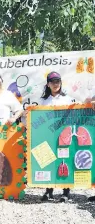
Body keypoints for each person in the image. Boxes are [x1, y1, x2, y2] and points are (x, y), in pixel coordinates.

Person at [40, 71, 72, 203]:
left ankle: (66, 191)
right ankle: (49, 190)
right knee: (47, 160)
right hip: (47, 135)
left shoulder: (67, 99)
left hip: (63, 134)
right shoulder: (42, 101)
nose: (55, 84)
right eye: (52, 81)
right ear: (48, 84)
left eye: (57, 81)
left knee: (64, 159)